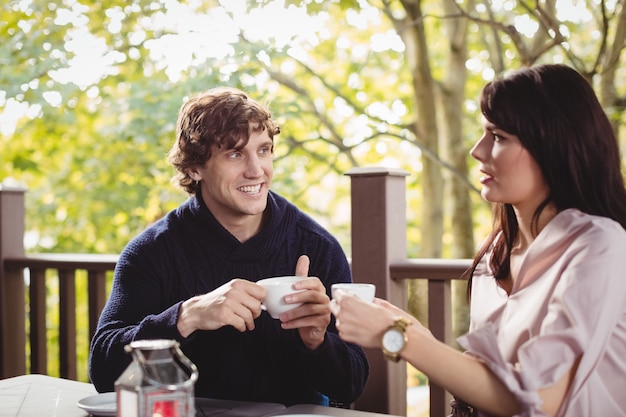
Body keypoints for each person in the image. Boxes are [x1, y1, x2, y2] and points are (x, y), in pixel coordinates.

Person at [330, 64, 626, 416]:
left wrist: (397, 336)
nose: (477, 150)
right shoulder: (497, 252)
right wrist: (414, 331)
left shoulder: (599, 245)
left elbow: (541, 400)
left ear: (553, 144)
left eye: (498, 137)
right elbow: (488, 381)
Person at [89, 86, 369, 407]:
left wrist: (317, 342)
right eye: (235, 154)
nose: (256, 170)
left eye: (263, 150)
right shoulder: (152, 251)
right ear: (194, 168)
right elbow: (103, 371)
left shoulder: (317, 247)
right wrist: (185, 317)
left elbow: (352, 386)